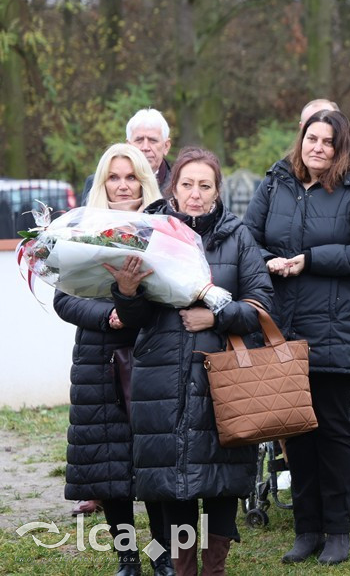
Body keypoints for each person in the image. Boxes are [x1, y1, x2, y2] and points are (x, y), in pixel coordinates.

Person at [107, 147, 274, 575]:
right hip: (161, 376)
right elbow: (133, 319)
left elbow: (261, 307)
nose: (195, 194)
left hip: (220, 377)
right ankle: (182, 568)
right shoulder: (151, 233)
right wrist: (126, 292)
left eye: (205, 186)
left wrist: (215, 315)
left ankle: (214, 567)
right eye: (187, 185)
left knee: (221, 479)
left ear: (218, 192)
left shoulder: (238, 237)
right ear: (172, 188)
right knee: (173, 481)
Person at [244, 109, 350, 565]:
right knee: (294, 430)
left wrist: (309, 260)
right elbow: (246, 238)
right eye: (312, 138)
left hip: (335, 328)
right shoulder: (275, 183)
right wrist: (269, 260)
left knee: (331, 429)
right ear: (301, 139)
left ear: (341, 146)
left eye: (329, 141)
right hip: (282, 326)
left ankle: (338, 529)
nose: (319, 147)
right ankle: (306, 529)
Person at [57, 144, 172, 576]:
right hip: (98, 358)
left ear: (144, 179)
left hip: (153, 354)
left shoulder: (163, 226)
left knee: (155, 462)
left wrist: (133, 304)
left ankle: (163, 558)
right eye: (113, 177)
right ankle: (127, 558)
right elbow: (64, 299)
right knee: (110, 466)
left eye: (130, 176)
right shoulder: (80, 229)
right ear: (102, 182)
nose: (122, 185)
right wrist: (109, 314)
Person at [80, 109, 175, 205]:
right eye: (139, 140)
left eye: (152, 140)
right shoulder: (95, 183)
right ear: (128, 145)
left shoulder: (178, 186)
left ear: (166, 146)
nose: (145, 147)